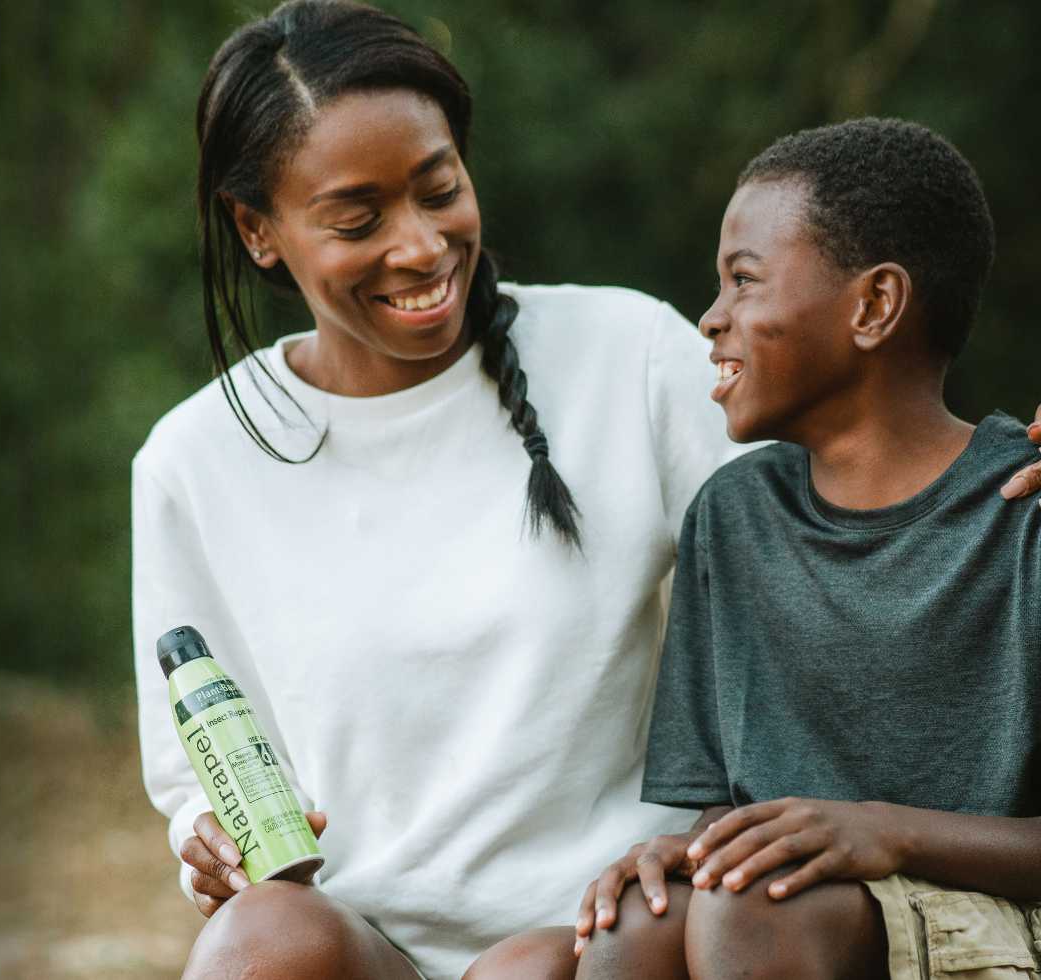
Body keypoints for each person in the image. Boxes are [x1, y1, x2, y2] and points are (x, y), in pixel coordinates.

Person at [131, 3, 1041, 978]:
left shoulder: (626, 354)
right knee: (255, 944)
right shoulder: (191, 462)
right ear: (257, 230)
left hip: (607, 929)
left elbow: (872, 480)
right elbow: (196, 773)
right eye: (358, 220)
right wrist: (206, 839)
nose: (421, 246)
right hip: (363, 934)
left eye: (440, 190)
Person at [486, 118, 1039, 980]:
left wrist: (883, 831)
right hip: (777, 922)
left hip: (995, 920)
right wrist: (691, 848)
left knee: (748, 908)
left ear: (874, 306)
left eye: (744, 281)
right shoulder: (733, 517)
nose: (711, 319)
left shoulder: (1025, 511)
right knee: (603, 938)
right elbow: (727, 805)